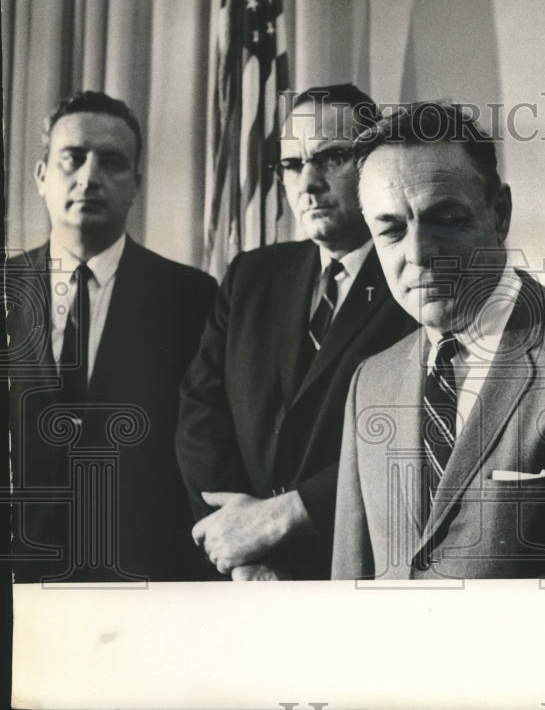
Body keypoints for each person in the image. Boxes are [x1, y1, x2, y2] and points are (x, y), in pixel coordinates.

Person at [331, 103, 545, 580]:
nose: (418, 253)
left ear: (499, 213)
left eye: (445, 218)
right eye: (392, 229)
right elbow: (351, 580)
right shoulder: (370, 381)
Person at [176, 84, 417, 580]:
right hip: (240, 571)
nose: (307, 182)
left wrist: (283, 519)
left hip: (359, 568)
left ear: (372, 164)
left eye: (331, 157)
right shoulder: (250, 275)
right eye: (291, 164)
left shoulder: (415, 277)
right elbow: (200, 415)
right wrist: (240, 546)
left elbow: (417, 437)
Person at [6, 91, 217, 582]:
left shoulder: (192, 296)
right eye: (72, 159)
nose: (89, 177)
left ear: (136, 185)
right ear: (41, 176)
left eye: (112, 162)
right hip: (21, 580)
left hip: (146, 578)